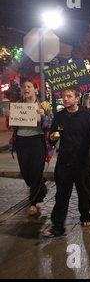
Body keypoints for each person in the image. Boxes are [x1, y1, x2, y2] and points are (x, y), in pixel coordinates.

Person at [43, 86, 90, 238]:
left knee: (83, 191)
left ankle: (85, 215)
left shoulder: (87, 115)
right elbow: (52, 137)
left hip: (82, 162)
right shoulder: (60, 116)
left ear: (77, 98)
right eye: (64, 96)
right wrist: (52, 139)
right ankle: (57, 226)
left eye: (69, 96)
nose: (65, 99)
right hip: (64, 162)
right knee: (61, 194)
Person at [4, 80, 51, 215]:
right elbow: (11, 126)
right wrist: (8, 118)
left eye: (29, 87)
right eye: (24, 87)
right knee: (25, 172)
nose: (26, 89)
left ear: (35, 90)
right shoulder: (17, 106)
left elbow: (50, 124)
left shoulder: (43, 105)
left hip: (37, 141)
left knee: (36, 171)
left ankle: (33, 202)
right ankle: (40, 183)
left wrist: (43, 116)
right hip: (21, 141)